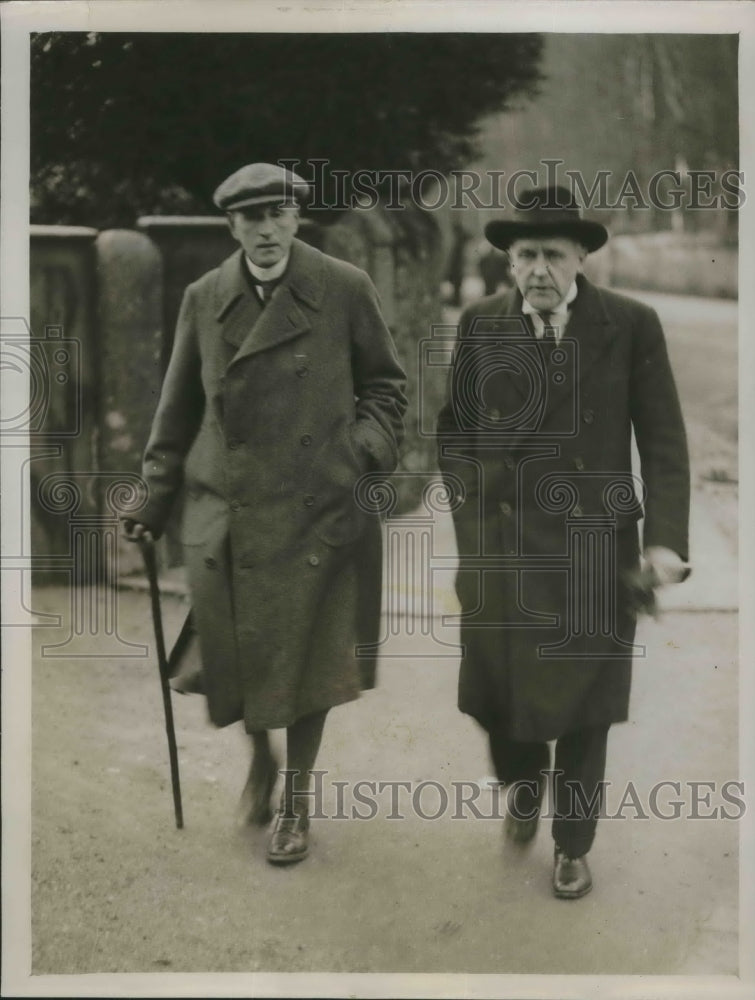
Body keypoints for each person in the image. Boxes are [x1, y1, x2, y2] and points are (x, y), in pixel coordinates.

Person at [124, 163, 407, 865]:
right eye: (250, 218)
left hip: (319, 508)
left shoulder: (342, 287)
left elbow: (388, 389)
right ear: (232, 226)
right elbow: (176, 411)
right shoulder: (205, 297)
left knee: (310, 658)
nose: (266, 229)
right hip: (230, 508)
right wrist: (152, 501)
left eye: (277, 213)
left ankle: (297, 802)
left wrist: (358, 453)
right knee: (236, 652)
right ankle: (260, 755)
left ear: (294, 216)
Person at [436, 185, 690, 898]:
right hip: (501, 549)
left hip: (593, 554)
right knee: (496, 700)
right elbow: (453, 432)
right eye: (524, 255)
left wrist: (664, 543)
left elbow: (664, 444)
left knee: (586, 709)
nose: (538, 269)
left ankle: (572, 843)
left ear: (581, 256)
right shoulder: (480, 324)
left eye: (552, 253)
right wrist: (470, 523)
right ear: (507, 262)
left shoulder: (630, 325)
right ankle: (522, 784)